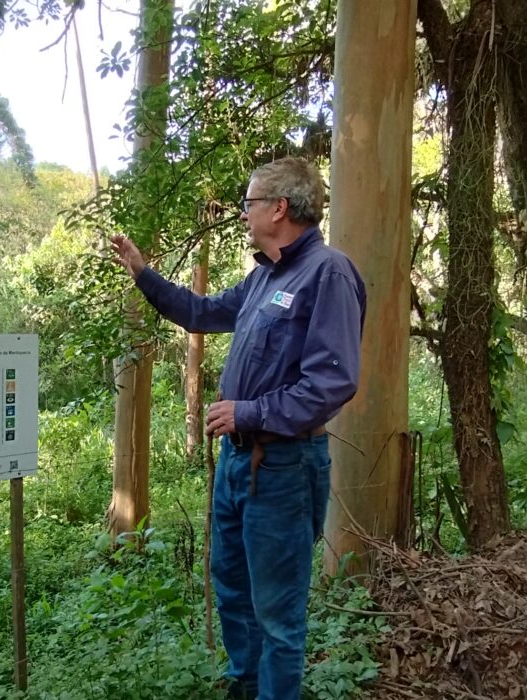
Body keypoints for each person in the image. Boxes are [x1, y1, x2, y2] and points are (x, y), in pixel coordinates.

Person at [110, 157, 367, 699]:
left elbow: (333, 383)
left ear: (279, 208)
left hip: (284, 469)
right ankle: (244, 686)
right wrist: (142, 271)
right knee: (231, 588)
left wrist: (248, 412)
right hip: (237, 464)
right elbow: (201, 312)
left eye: (249, 203)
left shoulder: (328, 273)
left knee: (278, 613)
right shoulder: (263, 277)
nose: (243, 214)